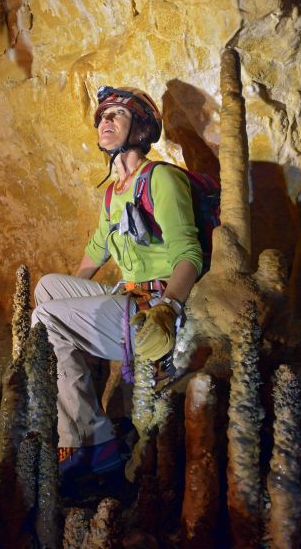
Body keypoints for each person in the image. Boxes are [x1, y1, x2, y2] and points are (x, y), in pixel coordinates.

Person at [31, 85, 202, 488]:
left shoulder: (161, 179)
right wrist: (68, 302)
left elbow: (189, 255)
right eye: (102, 116)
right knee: (46, 290)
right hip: (125, 297)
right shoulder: (113, 193)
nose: (105, 122)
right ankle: (78, 393)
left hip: (154, 306)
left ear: (140, 130)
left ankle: (91, 442)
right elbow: (95, 253)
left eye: (116, 116)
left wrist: (170, 308)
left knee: (46, 318)